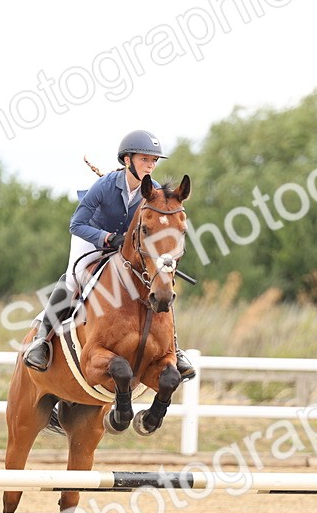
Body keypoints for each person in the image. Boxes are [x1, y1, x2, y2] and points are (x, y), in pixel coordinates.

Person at [22, 129, 196, 380]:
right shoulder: (104, 186)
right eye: (144, 159)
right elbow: (76, 224)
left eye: (153, 161)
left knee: (159, 282)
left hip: (126, 246)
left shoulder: (154, 191)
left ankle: (174, 349)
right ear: (127, 160)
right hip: (91, 237)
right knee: (74, 277)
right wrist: (106, 237)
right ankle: (42, 341)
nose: (150, 165)